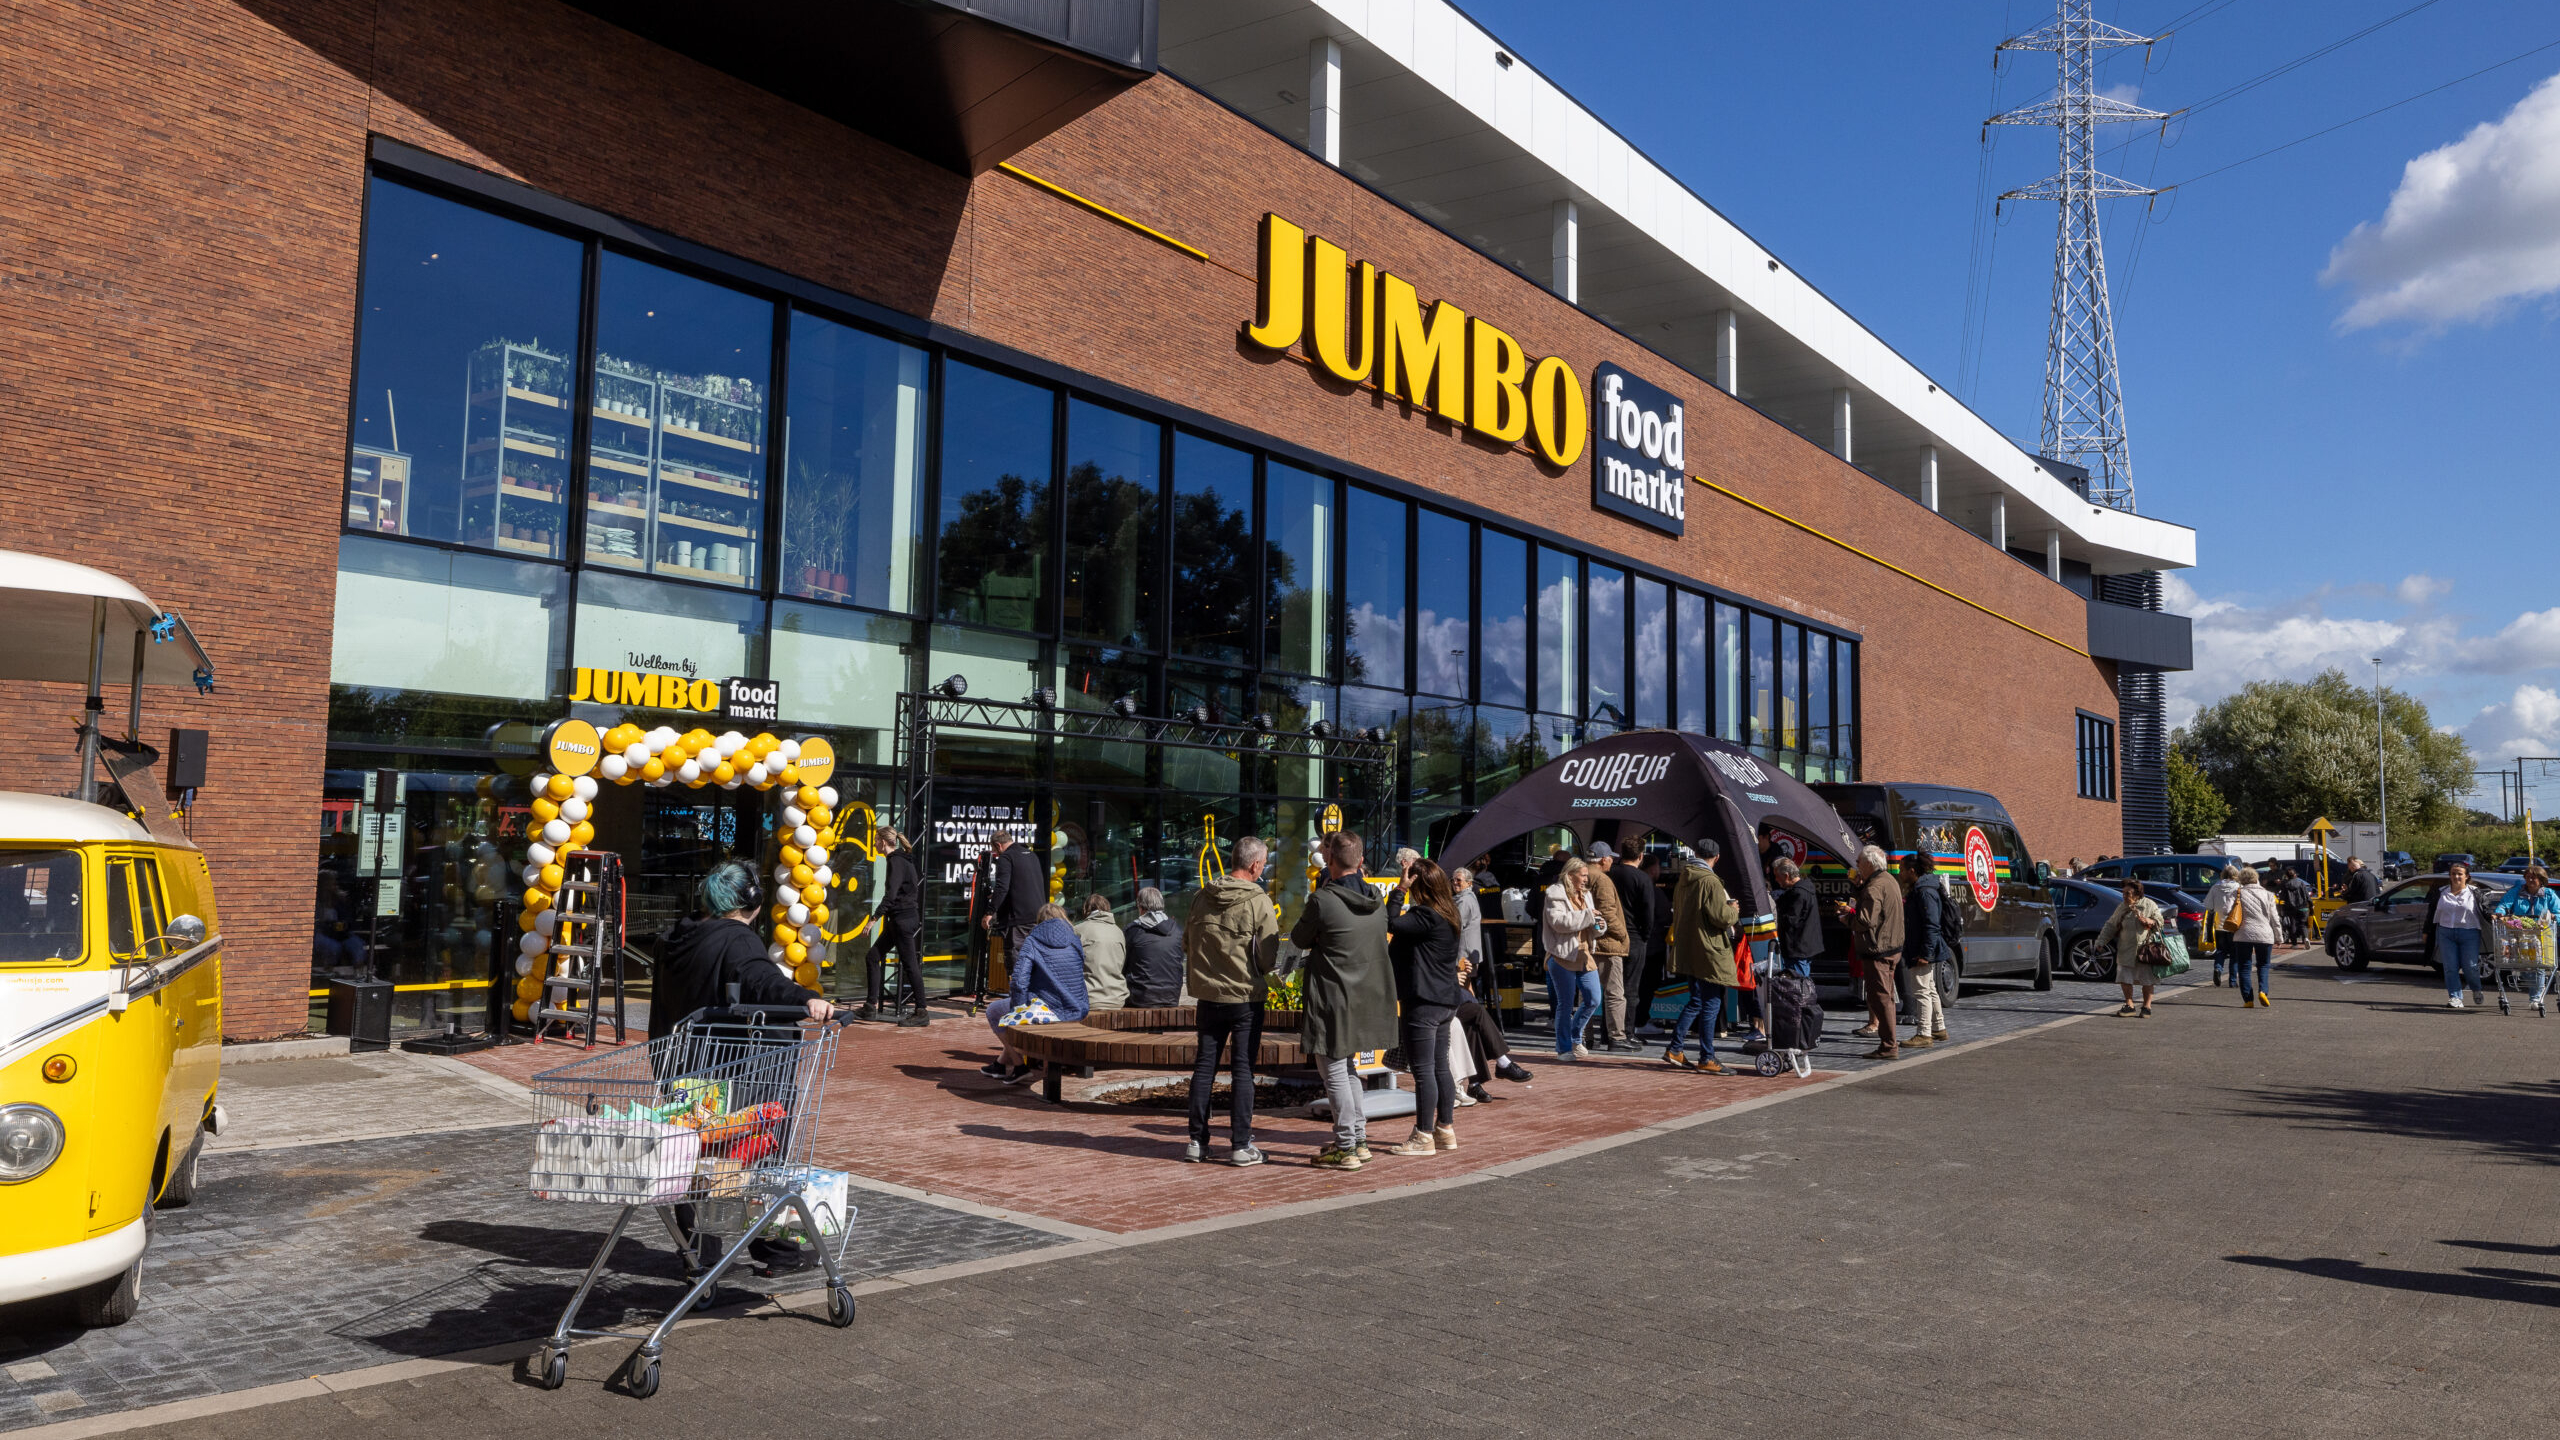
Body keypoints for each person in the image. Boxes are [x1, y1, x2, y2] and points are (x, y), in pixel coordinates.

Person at [1290, 831, 1399, 1171]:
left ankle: (1346, 1146)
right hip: (1368, 996)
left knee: (1334, 1070)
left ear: (1330, 862)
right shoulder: (1376, 901)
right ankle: (1359, 1140)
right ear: (1362, 861)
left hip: (1334, 997)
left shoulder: (1323, 900)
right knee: (1348, 1067)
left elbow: (1298, 937)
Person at [651, 860, 836, 1039]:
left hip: (671, 1057)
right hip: (713, 1061)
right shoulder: (738, 939)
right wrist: (806, 998)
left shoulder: (676, 934)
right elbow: (762, 981)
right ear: (752, 898)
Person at [1184, 838, 1280, 1166]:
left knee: (1204, 1067)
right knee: (1242, 1069)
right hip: (1244, 997)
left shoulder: (1201, 896)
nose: (1264, 868)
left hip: (1208, 996)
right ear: (1254, 865)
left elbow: (1187, 942)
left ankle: (1196, 1141)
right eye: (1263, 863)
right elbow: (1268, 957)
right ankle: (1240, 1144)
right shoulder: (1258, 900)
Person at [1386, 857, 1466, 1156]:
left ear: (1418, 883)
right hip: (1445, 1001)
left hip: (1423, 1002)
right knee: (1440, 1067)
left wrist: (1399, 889)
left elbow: (1390, 921)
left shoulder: (1425, 915)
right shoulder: (1449, 913)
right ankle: (1445, 1129)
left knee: (1423, 1071)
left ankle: (1423, 1136)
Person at [980, 902, 1088, 1084]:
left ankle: (1019, 1066)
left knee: (994, 1012)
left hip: (1047, 1009)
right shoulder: (1075, 941)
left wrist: (1018, 1011)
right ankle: (1000, 1064)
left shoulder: (1033, 941)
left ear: (1040, 921)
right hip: (1077, 1007)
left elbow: (1019, 982)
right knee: (1010, 1012)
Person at [1663, 838, 1739, 1073]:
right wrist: (1733, 911)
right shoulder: (1710, 881)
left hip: (1690, 947)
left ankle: (1675, 1048)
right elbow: (1721, 917)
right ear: (1716, 858)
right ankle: (1707, 1057)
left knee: (1697, 1000)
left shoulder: (1684, 878)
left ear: (1696, 854)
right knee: (1711, 1002)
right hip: (1709, 949)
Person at [1837, 844, 1904, 1059]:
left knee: (1881, 998)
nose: (1856, 865)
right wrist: (1858, 887)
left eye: (1859, 862)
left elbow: (1865, 920)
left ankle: (1889, 1046)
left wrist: (1847, 919)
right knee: (1885, 996)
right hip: (1891, 946)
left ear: (1869, 864)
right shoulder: (1887, 880)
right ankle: (1889, 1043)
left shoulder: (1875, 887)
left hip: (1879, 949)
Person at [1539, 855, 1605, 1062]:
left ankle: (1576, 1036)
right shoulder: (1554, 894)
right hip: (1562, 955)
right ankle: (1564, 1048)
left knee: (1594, 999)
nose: (1586, 879)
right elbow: (1559, 923)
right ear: (1570, 875)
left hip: (1584, 953)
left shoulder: (1585, 895)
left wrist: (1600, 927)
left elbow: (1591, 920)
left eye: (1586, 875)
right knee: (1565, 1004)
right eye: (1583, 875)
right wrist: (1588, 915)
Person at [1451, 951, 1534, 1100]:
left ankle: (1475, 1084)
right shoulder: (1426, 945)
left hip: (1452, 999)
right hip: (1435, 1004)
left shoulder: (1443, 943)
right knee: (1477, 1011)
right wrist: (1452, 979)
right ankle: (1503, 1062)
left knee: (1472, 1026)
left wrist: (1462, 971)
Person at [864, 827, 927, 1024]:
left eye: (875, 840)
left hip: (903, 920)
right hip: (899, 919)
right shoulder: (900, 860)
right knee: (873, 956)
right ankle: (869, 1007)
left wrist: (873, 919)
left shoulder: (897, 862)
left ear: (883, 842)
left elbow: (890, 896)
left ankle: (922, 1012)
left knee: (910, 965)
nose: (874, 844)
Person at [1898, 850, 1952, 1049]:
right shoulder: (1923, 887)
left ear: (1913, 871)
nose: (1900, 874)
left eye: (1902, 870)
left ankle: (1924, 1033)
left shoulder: (1924, 891)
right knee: (1929, 989)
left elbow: (1931, 924)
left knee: (1921, 991)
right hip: (1925, 948)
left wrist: (1926, 953)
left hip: (1923, 949)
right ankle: (1938, 1028)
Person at [1585, 842, 1635, 1052]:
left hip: (1586, 942)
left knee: (1585, 993)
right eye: (1610, 858)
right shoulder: (1602, 879)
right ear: (1603, 859)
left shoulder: (1578, 875)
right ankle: (1617, 1037)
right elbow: (1607, 912)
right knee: (1614, 993)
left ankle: (1584, 1036)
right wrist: (1623, 934)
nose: (1612, 861)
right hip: (1607, 945)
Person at [2490, 865, 2560, 1011]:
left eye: (2533, 877)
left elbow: (2558, 914)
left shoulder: (2549, 895)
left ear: (2541, 880)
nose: (2530, 879)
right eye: (2527, 876)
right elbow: (2504, 904)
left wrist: (2552, 916)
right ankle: (2536, 990)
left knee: (2539, 965)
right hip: (2519, 934)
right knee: (2523, 965)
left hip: (2542, 935)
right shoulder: (2517, 892)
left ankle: (2536, 997)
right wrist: (2499, 913)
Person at [2420, 860, 2487, 1010]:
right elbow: (2431, 913)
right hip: (2445, 932)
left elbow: (2485, 911)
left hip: (2469, 932)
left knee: (2470, 966)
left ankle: (2476, 988)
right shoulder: (2441, 892)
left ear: (2467, 876)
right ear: (2449, 876)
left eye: (2460, 874)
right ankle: (2455, 997)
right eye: (2453, 874)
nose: (2456, 877)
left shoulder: (2474, 893)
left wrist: (2497, 917)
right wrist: (2426, 931)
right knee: (2450, 967)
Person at [2096, 878, 2166, 1018]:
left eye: (2128, 893)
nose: (2124, 896)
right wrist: (2101, 941)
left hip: (2145, 950)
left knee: (2147, 979)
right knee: (2125, 978)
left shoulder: (2149, 905)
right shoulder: (2122, 907)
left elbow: (2160, 921)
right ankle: (2129, 1005)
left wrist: (2149, 921)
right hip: (2126, 949)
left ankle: (2146, 1006)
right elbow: (2111, 925)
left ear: (2137, 894)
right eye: (2123, 893)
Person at [981, 828, 1045, 964]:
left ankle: (1018, 986)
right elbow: (1024, 883)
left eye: (994, 850)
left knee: (1016, 963)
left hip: (1018, 920)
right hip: (1037, 916)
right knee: (1034, 961)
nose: (996, 854)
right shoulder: (1031, 855)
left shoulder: (1006, 857)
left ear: (998, 845)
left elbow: (1002, 887)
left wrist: (990, 912)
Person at [2227, 866, 2282, 1007]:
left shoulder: (2237, 892)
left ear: (2241, 880)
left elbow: (2229, 911)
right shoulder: (2269, 894)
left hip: (2243, 934)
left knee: (2244, 967)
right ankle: (2263, 991)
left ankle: (2248, 1000)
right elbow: (2275, 918)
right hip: (2265, 934)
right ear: (2256, 878)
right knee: (2263, 965)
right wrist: (2279, 937)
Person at [1122, 886, 1185, 1008]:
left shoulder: (1133, 931)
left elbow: (1122, 964)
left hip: (1140, 998)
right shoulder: (1177, 931)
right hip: (1171, 997)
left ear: (1140, 906)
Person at [1627, 850, 1669, 1036]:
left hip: (1634, 942)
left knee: (1633, 986)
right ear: (1652, 870)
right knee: (1646, 986)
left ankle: (1633, 1021)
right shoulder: (1653, 890)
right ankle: (1640, 1021)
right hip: (1651, 945)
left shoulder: (1631, 884)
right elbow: (1663, 916)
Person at [1073, 894, 1128, 1011]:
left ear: (1086, 909)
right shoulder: (1118, 931)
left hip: (1089, 999)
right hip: (1117, 998)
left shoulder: (1079, 930)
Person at [1772, 856, 1822, 977]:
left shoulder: (1798, 893)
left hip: (1797, 947)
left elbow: (1791, 920)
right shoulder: (1804, 888)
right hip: (1804, 945)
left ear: (1786, 876)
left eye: (1777, 876)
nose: (1776, 879)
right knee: (1800, 980)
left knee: (1798, 984)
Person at [2201, 863, 2241, 987]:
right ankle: (2233, 980)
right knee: (2235, 954)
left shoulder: (2215, 887)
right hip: (2234, 924)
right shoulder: (2238, 888)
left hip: (2219, 924)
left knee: (2220, 951)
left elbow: (2208, 905)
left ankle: (2218, 968)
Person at [2276, 866, 2313, 948]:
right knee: (2303, 924)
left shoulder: (2285, 885)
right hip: (2303, 907)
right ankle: (2306, 938)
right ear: (2295, 874)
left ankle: (2294, 944)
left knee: (2292, 925)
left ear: (2286, 876)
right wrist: (2310, 905)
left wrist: (2281, 908)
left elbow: (2282, 897)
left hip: (2290, 908)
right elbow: (2307, 895)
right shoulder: (2301, 883)